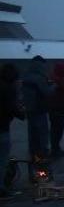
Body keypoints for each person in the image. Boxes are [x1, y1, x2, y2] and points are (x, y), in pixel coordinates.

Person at [21, 56, 54, 161]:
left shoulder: (26, 77)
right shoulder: (39, 78)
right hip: (39, 108)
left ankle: (33, 154)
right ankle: (42, 154)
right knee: (42, 133)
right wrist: (54, 86)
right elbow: (47, 92)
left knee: (32, 133)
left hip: (29, 109)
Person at [1, 63, 25, 200]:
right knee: (2, 160)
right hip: (2, 127)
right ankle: (1, 189)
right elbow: (12, 108)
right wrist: (22, 114)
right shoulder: (8, 89)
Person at [46, 62, 64, 157]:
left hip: (54, 108)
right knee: (57, 130)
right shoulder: (58, 81)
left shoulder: (52, 79)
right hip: (58, 108)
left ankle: (55, 148)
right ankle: (55, 149)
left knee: (55, 129)